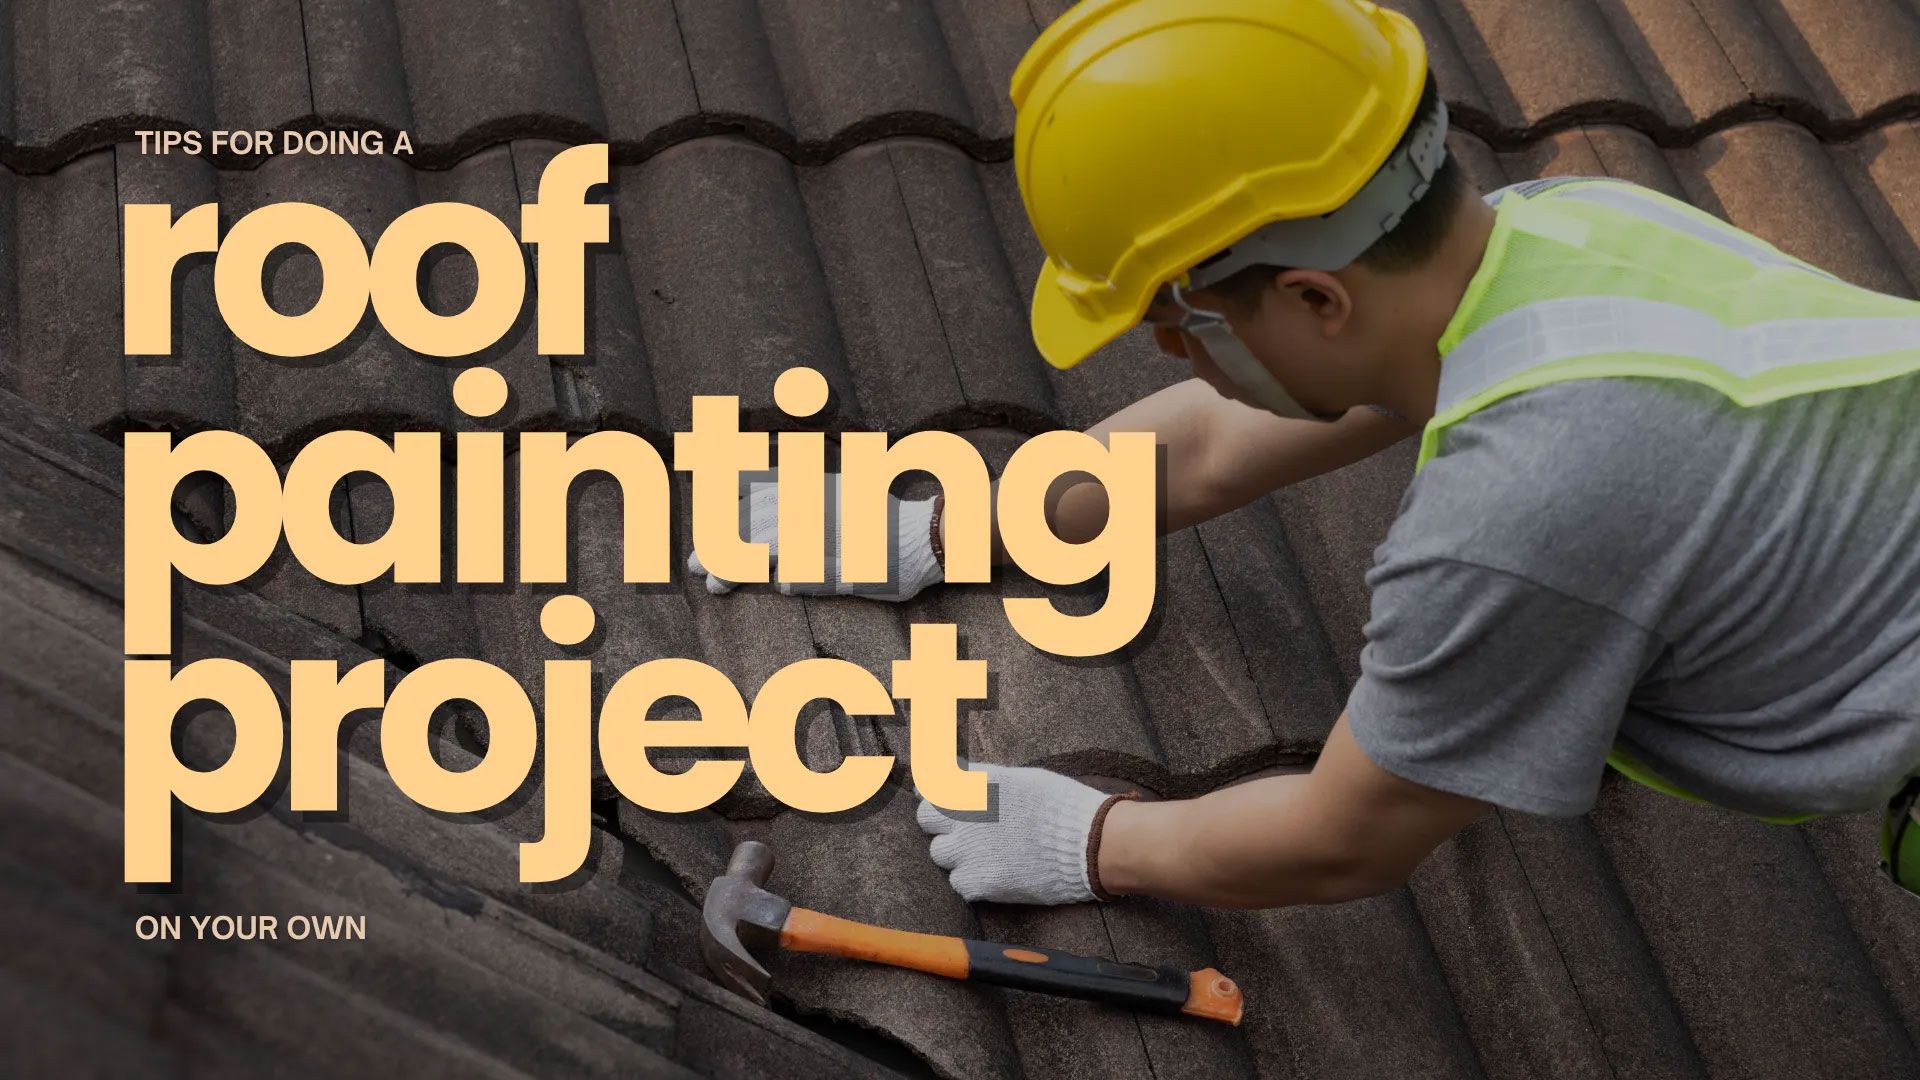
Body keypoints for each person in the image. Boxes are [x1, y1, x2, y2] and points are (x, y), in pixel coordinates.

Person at [688, 0, 1920, 907]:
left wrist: (1099, 841)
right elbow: (1213, 445)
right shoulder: (1564, 228)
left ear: (1317, 299)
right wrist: (940, 523)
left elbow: (1348, 837)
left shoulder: (1522, 514)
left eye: (1178, 324)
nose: (1176, 356)